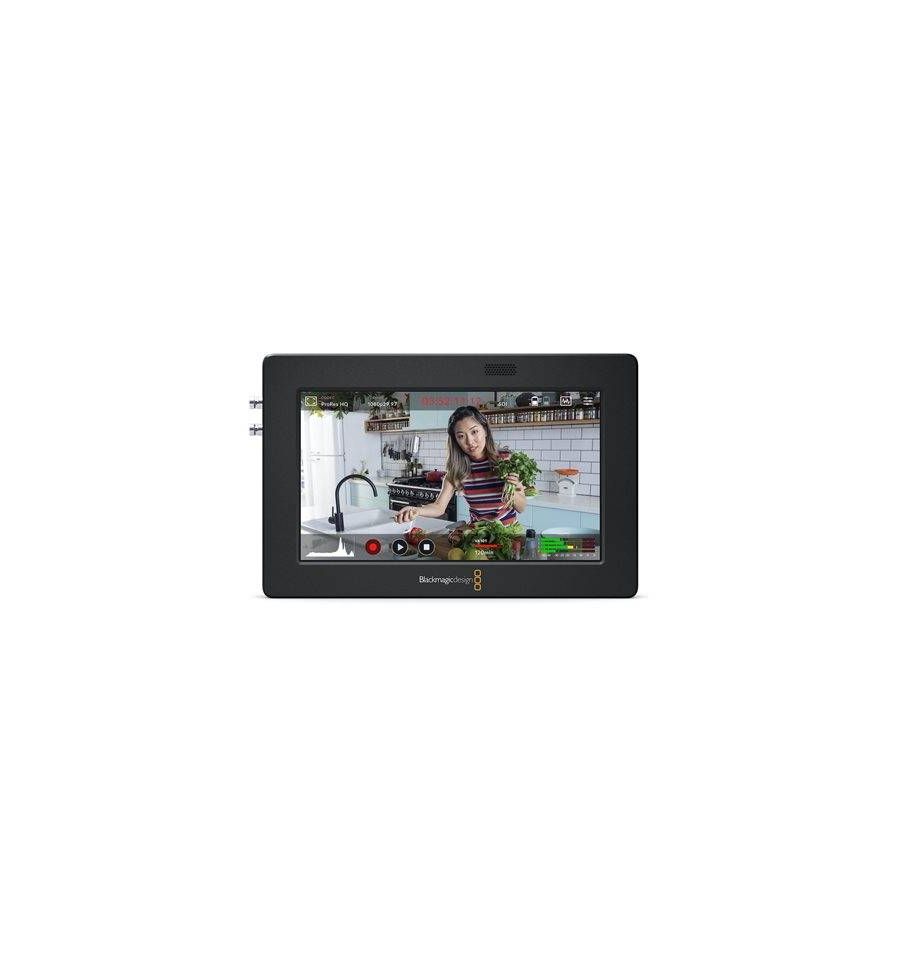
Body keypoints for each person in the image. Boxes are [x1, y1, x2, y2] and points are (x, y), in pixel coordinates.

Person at [394, 405, 527, 525]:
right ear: (456, 441)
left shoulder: (506, 461)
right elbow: (439, 507)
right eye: (461, 436)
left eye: (474, 432)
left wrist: (512, 488)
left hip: (508, 535)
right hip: (478, 535)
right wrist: (416, 510)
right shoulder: (457, 471)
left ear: (485, 430)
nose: (470, 441)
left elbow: (521, 508)